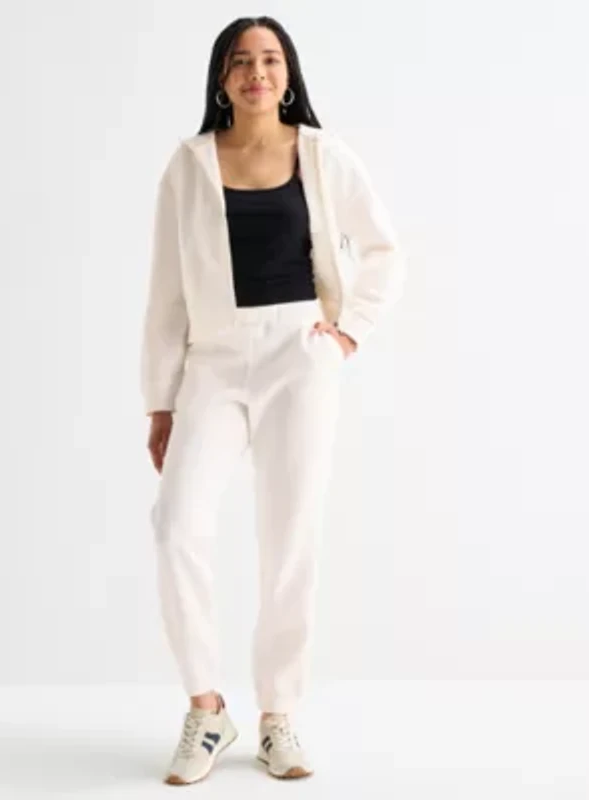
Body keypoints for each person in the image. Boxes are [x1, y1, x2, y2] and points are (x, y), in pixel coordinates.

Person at [139, 15, 406, 786]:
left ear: (288, 76)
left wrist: (347, 332)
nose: (257, 72)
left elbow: (384, 251)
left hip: (300, 354)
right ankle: (207, 708)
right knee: (176, 524)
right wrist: (161, 400)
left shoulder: (322, 154)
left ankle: (277, 715)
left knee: (290, 537)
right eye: (241, 61)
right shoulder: (188, 166)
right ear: (221, 79)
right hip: (212, 363)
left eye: (270, 60)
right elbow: (165, 291)